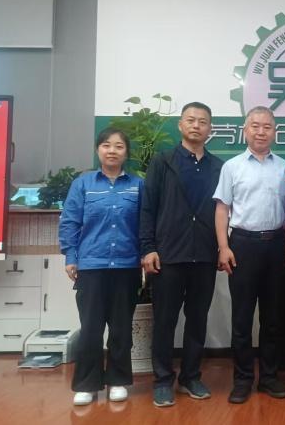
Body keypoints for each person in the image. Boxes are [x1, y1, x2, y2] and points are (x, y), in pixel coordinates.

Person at [140, 102, 224, 407]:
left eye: (203, 121)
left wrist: (222, 247)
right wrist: (148, 247)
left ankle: (191, 376)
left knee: (197, 320)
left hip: (204, 254)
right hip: (169, 254)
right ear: (180, 125)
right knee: (165, 321)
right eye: (191, 120)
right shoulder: (163, 162)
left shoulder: (218, 167)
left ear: (210, 128)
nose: (196, 125)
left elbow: (224, 210)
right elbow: (147, 207)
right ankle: (163, 380)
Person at [214, 106, 285, 404]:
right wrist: (224, 247)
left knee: (273, 317)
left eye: (267, 126)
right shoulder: (232, 167)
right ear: (245, 130)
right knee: (242, 317)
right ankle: (243, 379)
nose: (261, 132)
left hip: (276, 244)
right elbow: (222, 208)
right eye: (255, 126)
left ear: (275, 132)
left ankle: (270, 377)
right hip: (243, 245)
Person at [59, 127, 143, 406]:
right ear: (98, 150)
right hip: (91, 265)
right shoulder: (83, 184)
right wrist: (71, 256)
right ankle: (87, 384)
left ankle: (117, 381)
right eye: (106, 145)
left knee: (121, 329)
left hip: (126, 266)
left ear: (126, 153)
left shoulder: (138, 185)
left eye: (119, 146)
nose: (112, 151)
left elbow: (145, 226)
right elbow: (70, 222)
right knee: (91, 328)